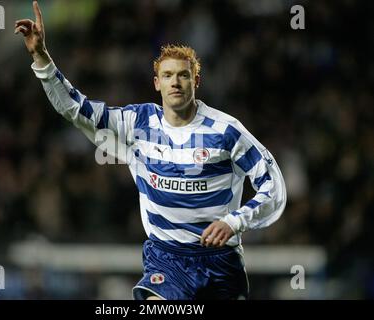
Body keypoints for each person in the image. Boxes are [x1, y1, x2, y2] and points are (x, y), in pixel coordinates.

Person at [15, 1, 287, 300]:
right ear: (157, 83)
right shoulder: (138, 123)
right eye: (168, 75)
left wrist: (234, 221)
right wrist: (41, 58)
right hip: (165, 259)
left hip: (220, 263)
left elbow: (273, 186)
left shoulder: (226, 130)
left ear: (196, 81)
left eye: (183, 75)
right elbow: (76, 109)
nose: (176, 82)